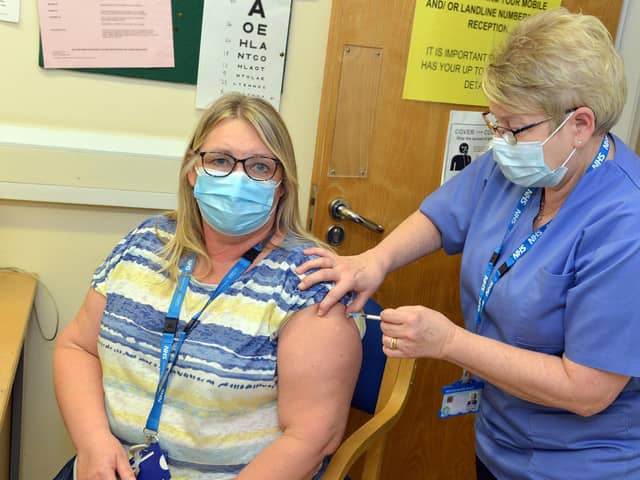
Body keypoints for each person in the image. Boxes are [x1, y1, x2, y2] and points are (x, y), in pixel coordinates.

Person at [297, 8, 640, 480]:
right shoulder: (522, 164)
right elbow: (441, 217)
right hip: (500, 437)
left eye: (513, 127)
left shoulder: (626, 225)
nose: (499, 141)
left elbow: (587, 390)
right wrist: (376, 259)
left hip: (582, 463)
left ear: (580, 124)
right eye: (493, 124)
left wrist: (450, 342)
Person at [53, 93, 364, 480]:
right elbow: (77, 347)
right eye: (220, 161)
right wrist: (94, 443)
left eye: (260, 167)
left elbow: (314, 437)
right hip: (112, 466)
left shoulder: (307, 281)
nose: (237, 178)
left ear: (282, 184)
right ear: (192, 170)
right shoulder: (144, 242)